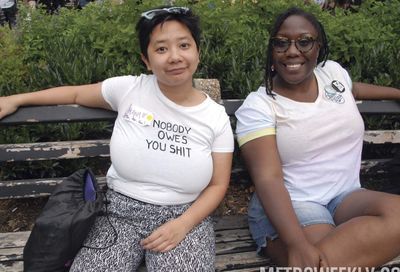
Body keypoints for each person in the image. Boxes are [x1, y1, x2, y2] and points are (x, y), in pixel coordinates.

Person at [0, 6, 234, 271]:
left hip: (184, 216)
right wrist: (17, 99)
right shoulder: (129, 89)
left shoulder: (215, 117)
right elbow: (75, 94)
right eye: (161, 49)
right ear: (146, 60)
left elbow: (217, 185)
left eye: (184, 45)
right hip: (119, 214)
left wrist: (183, 225)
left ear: (197, 52)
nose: (175, 57)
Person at [235, 7, 400, 269]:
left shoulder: (331, 73)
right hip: (293, 203)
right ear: (272, 49)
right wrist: (298, 244)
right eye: (281, 43)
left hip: (345, 196)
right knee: (322, 261)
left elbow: (352, 88)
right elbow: (268, 179)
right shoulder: (259, 107)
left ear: (318, 47)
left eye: (304, 41)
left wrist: (397, 93)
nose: (292, 51)